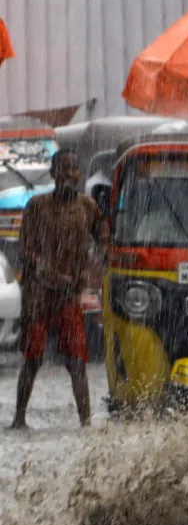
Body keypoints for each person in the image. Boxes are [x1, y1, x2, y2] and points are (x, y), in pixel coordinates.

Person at [11, 149, 104, 429]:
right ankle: (19, 419)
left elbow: (105, 239)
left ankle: (85, 423)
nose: (68, 174)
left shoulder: (88, 208)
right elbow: (25, 250)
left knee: (77, 361)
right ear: (52, 174)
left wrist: (91, 269)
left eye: (73, 169)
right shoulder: (36, 206)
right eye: (63, 168)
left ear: (79, 175)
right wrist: (47, 272)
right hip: (38, 297)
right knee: (32, 358)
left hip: (68, 297)